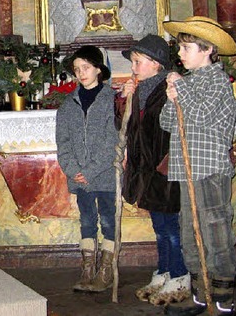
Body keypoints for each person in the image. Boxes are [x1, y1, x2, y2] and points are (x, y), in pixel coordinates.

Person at [160, 16, 236, 316]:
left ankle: (222, 300)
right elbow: (167, 123)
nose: (180, 55)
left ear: (207, 50)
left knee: (214, 230)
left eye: (186, 48)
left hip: (209, 169)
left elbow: (204, 116)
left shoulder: (218, 81)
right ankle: (200, 296)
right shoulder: (189, 82)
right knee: (190, 230)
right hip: (186, 168)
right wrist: (172, 99)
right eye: (179, 49)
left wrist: (182, 90)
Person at [116, 35, 190, 306]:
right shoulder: (141, 88)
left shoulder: (170, 86)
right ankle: (165, 271)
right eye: (134, 62)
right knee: (159, 226)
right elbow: (126, 125)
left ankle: (180, 275)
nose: (133, 67)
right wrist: (124, 100)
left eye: (138, 61)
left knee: (171, 226)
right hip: (147, 169)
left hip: (166, 167)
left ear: (156, 64)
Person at [56, 45, 117, 293]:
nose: (81, 73)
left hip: (104, 175)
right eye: (77, 69)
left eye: (86, 68)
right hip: (79, 176)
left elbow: (111, 141)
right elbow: (63, 143)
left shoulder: (112, 100)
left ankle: (106, 270)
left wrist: (90, 170)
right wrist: (73, 169)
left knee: (109, 220)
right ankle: (87, 267)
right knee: (87, 221)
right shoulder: (67, 106)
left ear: (98, 69)